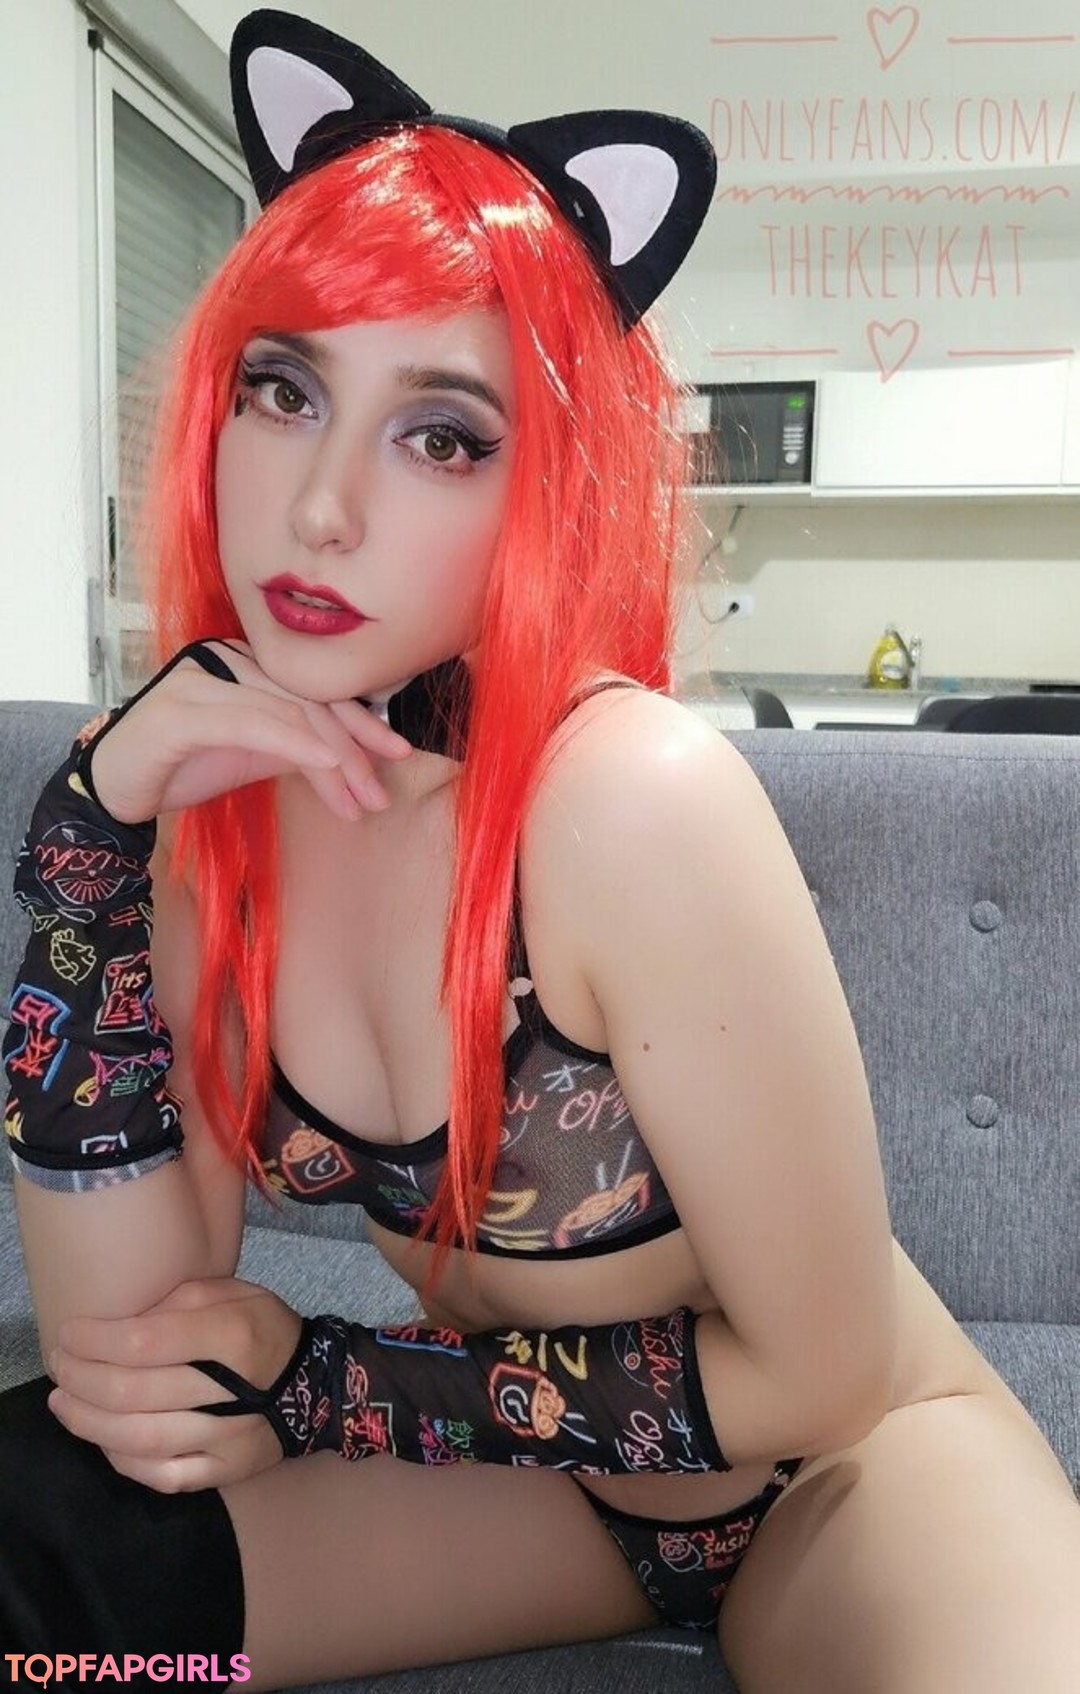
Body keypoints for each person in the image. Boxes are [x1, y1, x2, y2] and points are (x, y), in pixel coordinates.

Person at [2, 9, 1079, 1690]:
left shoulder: (625, 796)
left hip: (840, 1468)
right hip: (534, 1490)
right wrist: (89, 834)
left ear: (544, 491)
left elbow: (821, 1373)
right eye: (285, 390)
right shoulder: (221, 810)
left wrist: (323, 1385)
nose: (323, 506)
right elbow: (125, 1356)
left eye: (441, 433)